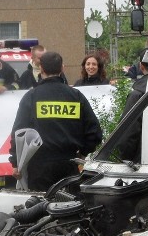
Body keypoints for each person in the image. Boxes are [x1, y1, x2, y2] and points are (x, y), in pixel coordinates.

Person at [9, 51, 103, 192]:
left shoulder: (32, 97)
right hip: (69, 165)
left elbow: (19, 133)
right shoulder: (76, 96)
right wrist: (83, 153)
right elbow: (94, 133)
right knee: (69, 209)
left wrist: (16, 163)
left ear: (41, 69)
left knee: (40, 209)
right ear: (62, 69)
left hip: (39, 166)